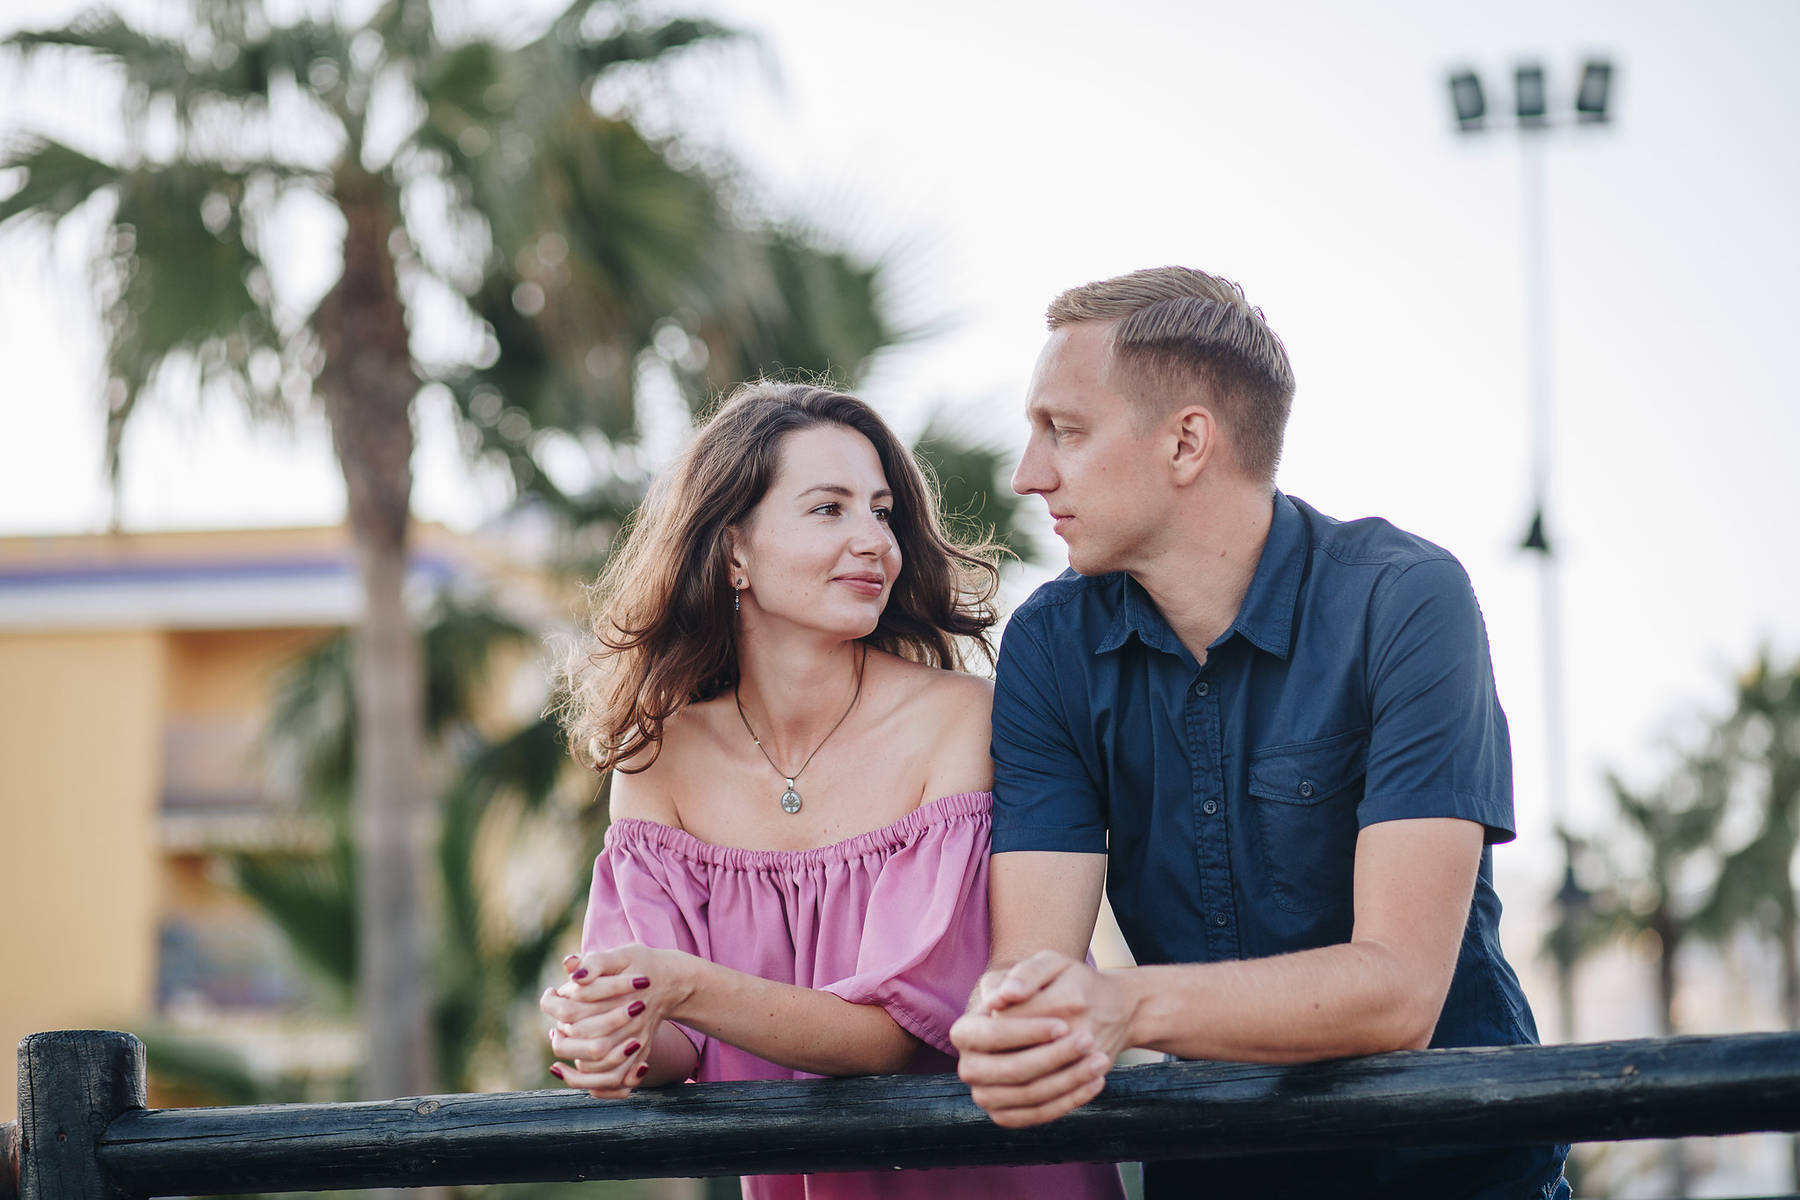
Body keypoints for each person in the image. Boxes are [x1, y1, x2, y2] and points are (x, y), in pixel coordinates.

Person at [947, 267, 1571, 1199]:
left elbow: (1397, 989)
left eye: (1064, 431)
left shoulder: (1404, 600)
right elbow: (1032, 974)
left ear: (1187, 442)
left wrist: (1125, 1006)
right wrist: (1013, 1026)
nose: (1028, 473)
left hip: (1454, 1175)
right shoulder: (1048, 646)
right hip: (1214, 1177)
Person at [541, 381, 1125, 1200]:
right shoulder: (658, 759)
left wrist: (680, 983)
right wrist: (612, 1027)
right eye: (830, 510)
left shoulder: (960, 721)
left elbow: (898, 1034)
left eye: (882, 512)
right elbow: (678, 1043)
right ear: (733, 551)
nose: (874, 542)